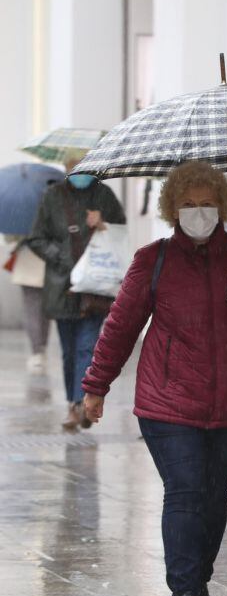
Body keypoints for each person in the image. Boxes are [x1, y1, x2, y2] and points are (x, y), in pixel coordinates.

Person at [80, 160, 227, 596]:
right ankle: (185, 591)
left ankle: (200, 579)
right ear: (172, 209)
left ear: (223, 205)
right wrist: (96, 385)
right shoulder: (153, 260)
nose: (199, 212)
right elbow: (121, 327)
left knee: (215, 498)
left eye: (207, 204)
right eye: (189, 205)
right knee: (186, 492)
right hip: (168, 402)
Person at [27, 163, 125, 429]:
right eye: (74, 164)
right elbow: (36, 238)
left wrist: (102, 224)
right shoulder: (52, 196)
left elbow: (121, 232)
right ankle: (72, 403)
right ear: (66, 166)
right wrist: (63, 257)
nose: (79, 169)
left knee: (86, 346)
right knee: (69, 351)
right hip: (61, 287)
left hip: (94, 288)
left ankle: (82, 403)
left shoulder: (103, 195)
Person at [5, 234, 50, 373]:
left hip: (27, 263)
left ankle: (37, 352)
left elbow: (9, 238)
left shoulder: (21, 217)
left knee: (32, 311)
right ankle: (41, 348)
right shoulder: (49, 213)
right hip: (48, 263)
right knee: (44, 312)